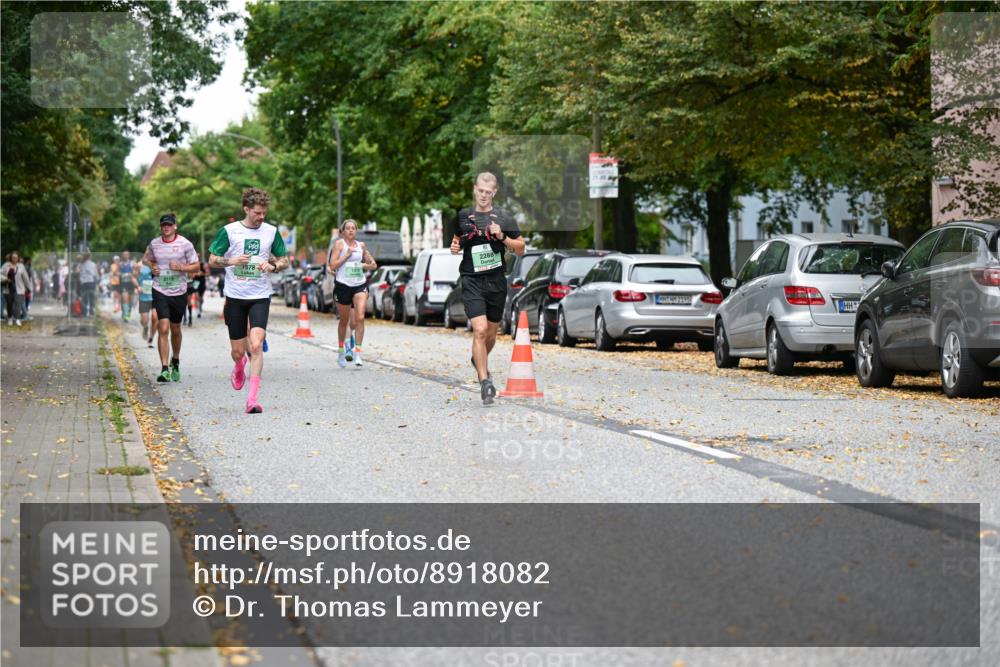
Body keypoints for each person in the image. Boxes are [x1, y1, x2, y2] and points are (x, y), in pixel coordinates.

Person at [208, 187, 289, 413]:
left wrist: (272, 265)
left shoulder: (271, 232)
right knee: (237, 350)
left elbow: (284, 260)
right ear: (246, 209)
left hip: (260, 296)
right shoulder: (229, 231)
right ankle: (238, 364)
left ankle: (252, 400)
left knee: (256, 345)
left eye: (264, 213)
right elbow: (213, 259)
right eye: (257, 213)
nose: (261, 217)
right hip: (235, 296)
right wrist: (232, 260)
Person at [450, 172, 525, 405]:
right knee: (480, 331)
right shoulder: (463, 217)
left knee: (491, 334)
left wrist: (502, 237)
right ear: (475, 189)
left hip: (496, 281)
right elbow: (456, 241)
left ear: (494, 193)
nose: (483, 195)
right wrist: (454, 247)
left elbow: (521, 248)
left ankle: (478, 359)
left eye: (488, 192)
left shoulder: (504, 217)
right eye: (480, 191)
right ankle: (485, 382)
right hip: (472, 280)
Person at [144, 213, 200, 382]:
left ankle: (175, 360)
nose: (166, 227)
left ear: (175, 226)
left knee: (175, 329)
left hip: (179, 292)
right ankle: (164, 369)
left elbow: (196, 266)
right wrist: (153, 266)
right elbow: (146, 259)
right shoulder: (154, 244)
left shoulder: (185, 244)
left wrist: (182, 267)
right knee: (163, 327)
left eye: (169, 225)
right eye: (163, 225)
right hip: (160, 289)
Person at [328, 219, 377, 368]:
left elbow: (373, 265)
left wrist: (364, 264)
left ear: (356, 231)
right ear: (342, 231)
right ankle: (341, 351)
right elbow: (333, 265)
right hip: (343, 285)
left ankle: (358, 353)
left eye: (353, 228)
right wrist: (346, 256)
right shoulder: (339, 245)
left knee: (360, 317)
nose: (350, 230)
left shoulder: (361, 246)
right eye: (347, 228)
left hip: (359, 285)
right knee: (344, 321)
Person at [1, 252, 32, 326]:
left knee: (18, 303)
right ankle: (10, 318)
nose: (14, 259)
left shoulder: (21, 266)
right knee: (9, 304)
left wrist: (28, 287)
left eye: (16, 257)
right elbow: (0, 274)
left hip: (19, 287)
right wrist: (5, 278)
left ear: (18, 258)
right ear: (11, 258)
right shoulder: (6, 265)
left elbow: (25, 278)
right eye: (13, 257)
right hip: (8, 287)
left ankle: (18, 319)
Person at [137, 263, 156, 347]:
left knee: (155, 318)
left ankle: (150, 338)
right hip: (144, 297)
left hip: (155, 297)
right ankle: (145, 328)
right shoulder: (139, 266)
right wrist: (137, 286)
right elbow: (133, 277)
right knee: (144, 320)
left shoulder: (159, 264)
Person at [77, 252, 99, 317]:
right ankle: (91, 313)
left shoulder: (81, 264)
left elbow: (78, 272)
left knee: (84, 298)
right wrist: (97, 281)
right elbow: (96, 274)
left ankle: (84, 313)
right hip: (91, 282)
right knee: (91, 298)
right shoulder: (93, 264)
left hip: (83, 283)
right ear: (90, 257)